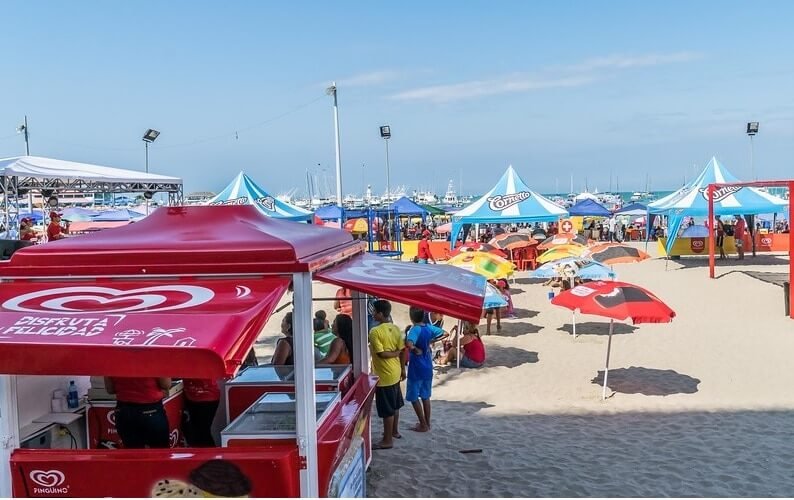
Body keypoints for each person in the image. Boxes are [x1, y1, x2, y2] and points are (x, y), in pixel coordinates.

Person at [368, 300, 405, 449]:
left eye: (374, 311)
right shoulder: (395, 328)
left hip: (384, 375)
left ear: (380, 314)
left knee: (387, 409)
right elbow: (402, 350)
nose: (373, 314)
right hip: (395, 371)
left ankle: (387, 440)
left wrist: (395, 353)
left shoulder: (374, 331)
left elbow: (381, 354)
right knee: (395, 405)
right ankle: (394, 431)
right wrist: (402, 368)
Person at [405, 307, 444, 432]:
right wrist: (430, 341)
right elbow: (445, 333)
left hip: (416, 368)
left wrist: (416, 349)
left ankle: (423, 424)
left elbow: (409, 344)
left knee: (413, 397)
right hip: (427, 365)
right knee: (425, 396)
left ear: (411, 317)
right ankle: (427, 422)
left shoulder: (414, 329)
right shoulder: (428, 327)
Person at [103, 376, 171, 448]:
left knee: (133, 452)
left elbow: (110, 389)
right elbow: (166, 384)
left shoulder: (112, 367)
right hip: (151, 409)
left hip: (124, 411)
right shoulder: (154, 367)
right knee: (159, 451)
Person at [181, 378, 220, 447]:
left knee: (202, 433)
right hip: (191, 396)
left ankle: (209, 453)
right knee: (197, 433)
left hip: (206, 397)